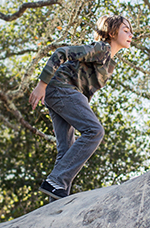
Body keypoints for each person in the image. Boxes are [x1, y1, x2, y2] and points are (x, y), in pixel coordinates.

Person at [29, 15, 133, 200]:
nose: (131, 34)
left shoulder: (110, 64)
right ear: (112, 32)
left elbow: (86, 92)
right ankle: (55, 181)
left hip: (63, 94)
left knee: (67, 149)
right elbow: (61, 52)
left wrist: (80, 109)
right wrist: (42, 85)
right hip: (61, 88)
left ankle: (56, 200)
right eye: (126, 30)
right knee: (94, 131)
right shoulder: (101, 49)